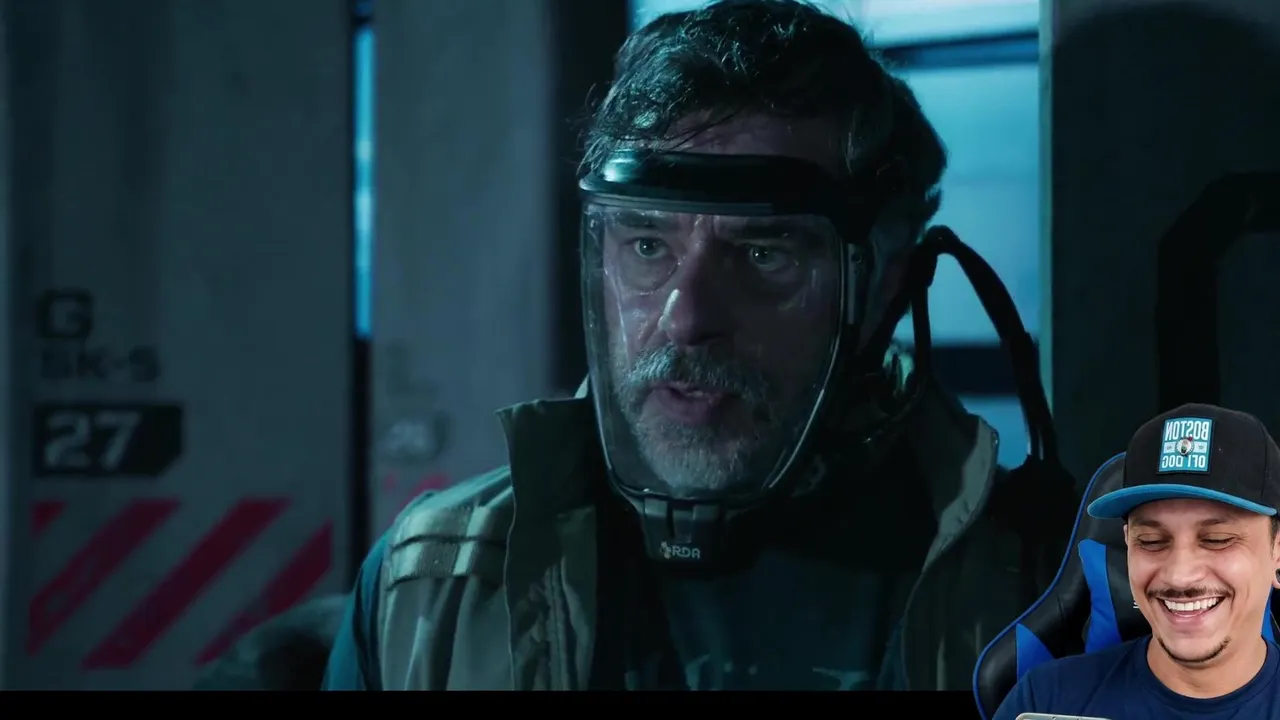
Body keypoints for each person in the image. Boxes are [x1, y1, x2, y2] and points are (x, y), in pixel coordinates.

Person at [323, 0, 1056, 691]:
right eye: (648, 246)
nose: (686, 319)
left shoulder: (1043, 587)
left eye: (764, 254)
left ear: (885, 286)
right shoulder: (433, 589)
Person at [994, 403, 1280, 719]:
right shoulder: (1044, 701)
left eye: (1217, 540)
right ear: (1128, 543)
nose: (1179, 576)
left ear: (1277, 549)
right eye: (1152, 542)